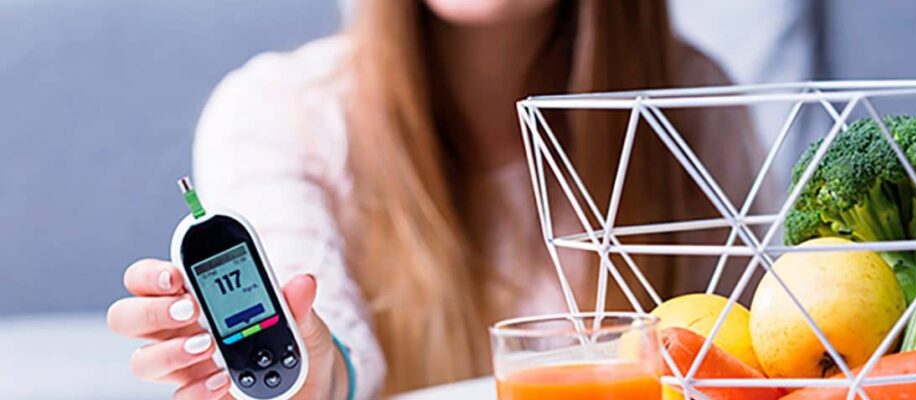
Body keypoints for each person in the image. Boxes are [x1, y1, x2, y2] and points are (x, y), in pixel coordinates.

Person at [106, 0, 758, 398]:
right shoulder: (277, 112)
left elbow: (763, 358)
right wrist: (312, 372)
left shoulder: (695, 103)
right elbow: (328, 343)